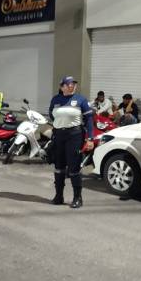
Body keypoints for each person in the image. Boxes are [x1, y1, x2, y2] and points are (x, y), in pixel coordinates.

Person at [49, 76, 94, 209]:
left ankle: (77, 198)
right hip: (58, 135)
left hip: (74, 136)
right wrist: (60, 124)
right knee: (59, 167)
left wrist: (90, 138)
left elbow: (89, 119)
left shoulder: (80, 100)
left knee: (74, 168)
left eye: (73, 84)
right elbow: (52, 115)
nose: (72, 86)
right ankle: (59, 196)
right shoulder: (55, 99)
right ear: (62, 86)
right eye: (69, 84)